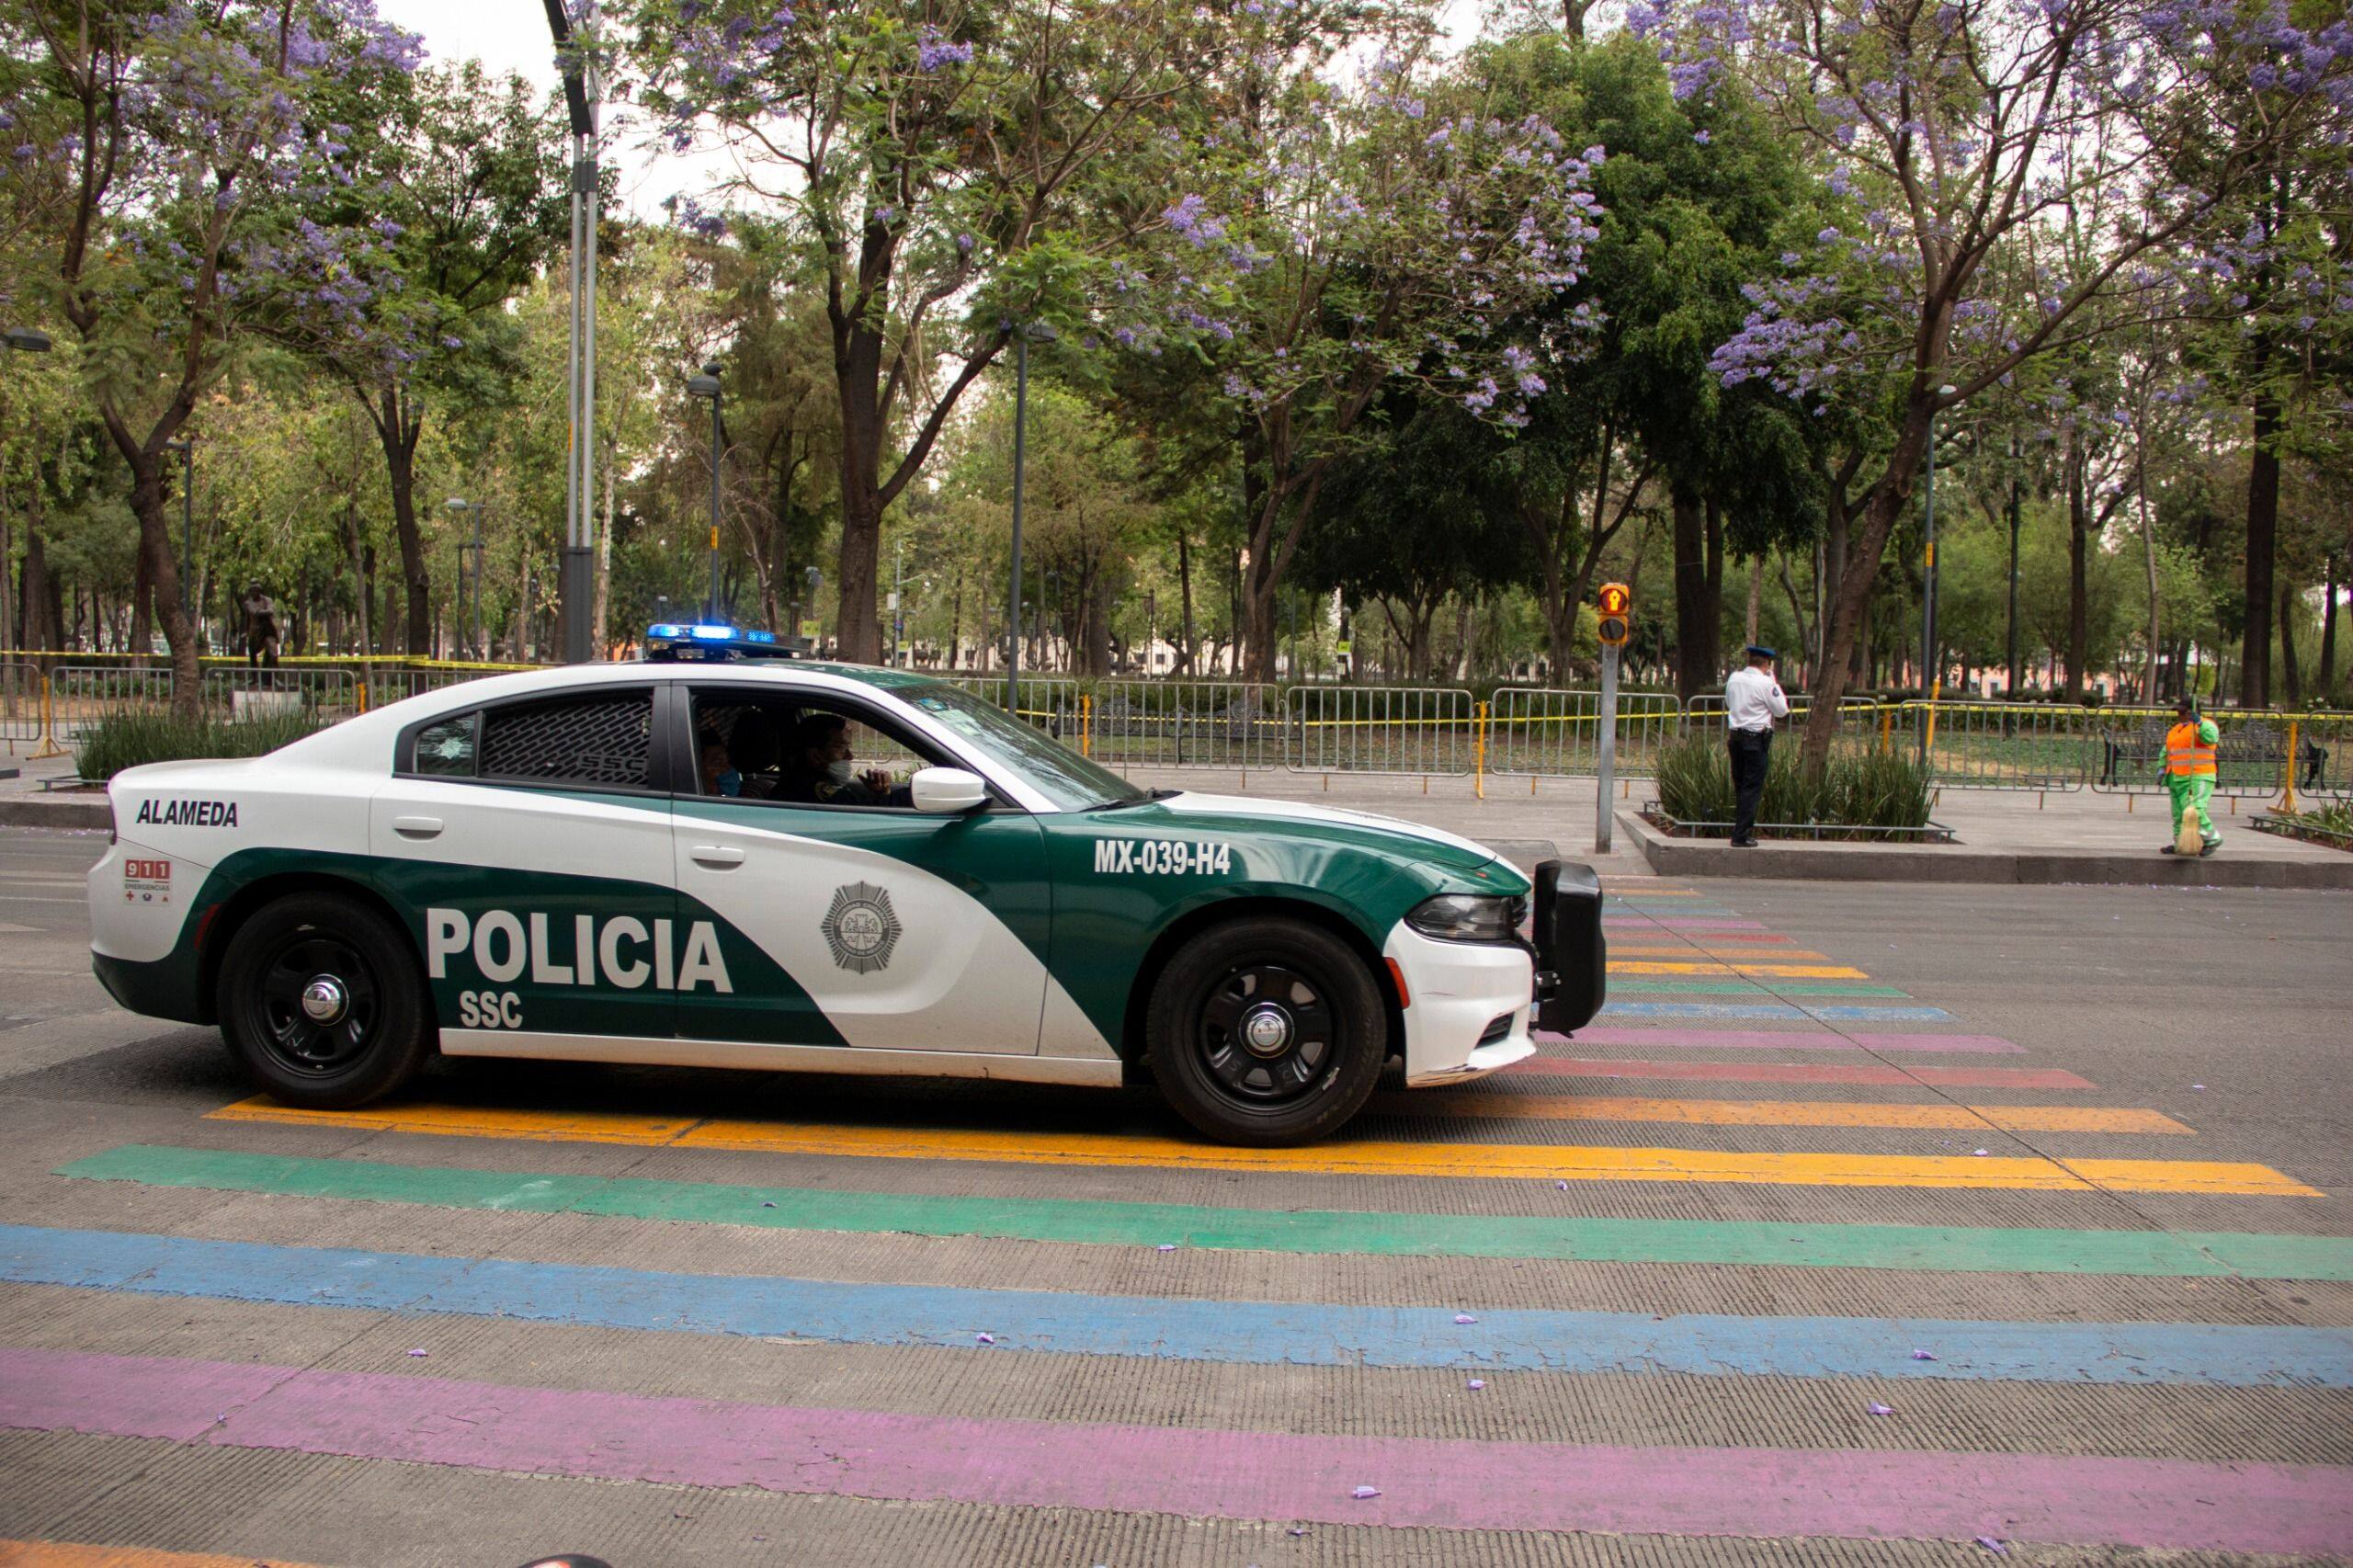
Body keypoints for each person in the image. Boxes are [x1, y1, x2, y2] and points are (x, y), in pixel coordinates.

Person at [1722, 643, 1789, 847]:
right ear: (1767, 664)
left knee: (1741, 785)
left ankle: (1739, 830)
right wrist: (1774, 683)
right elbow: (1781, 711)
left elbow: (1728, 702)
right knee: (1751, 788)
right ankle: (1741, 835)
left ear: (1749, 660)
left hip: (1736, 738)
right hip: (1755, 740)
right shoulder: (1766, 683)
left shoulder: (1734, 678)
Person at [783, 711, 911, 807]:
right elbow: (867, 821)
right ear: (815, 756)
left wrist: (882, 792)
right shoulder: (814, 792)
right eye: (840, 747)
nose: (850, 756)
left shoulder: (801, 784)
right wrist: (884, 795)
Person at [2161, 694, 2222, 857]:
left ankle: (2211, 838)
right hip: (2176, 777)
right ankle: (2182, 843)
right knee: (2179, 814)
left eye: (2182, 712)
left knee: (2195, 811)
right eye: (2178, 713)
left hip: (2198, 775)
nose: (2179, 716)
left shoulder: (2205, 725)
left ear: (2191, 712)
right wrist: (2162, 768)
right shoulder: (2177, 729)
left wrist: (2200, 723)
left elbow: (2211, 738)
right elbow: (2167, 749)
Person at [240, 582, 280, 668]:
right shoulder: (248, 603)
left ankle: (271, 676)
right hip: (254, 633)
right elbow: (253, 614)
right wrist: (247, 631)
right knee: (253, 656)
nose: (254, 593)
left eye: (256, 591)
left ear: (260, 591)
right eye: (252, 591)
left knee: (273, 654)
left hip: (268, 631)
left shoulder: (267, 600)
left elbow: (271, 611)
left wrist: (263, 612)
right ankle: (255, 679)